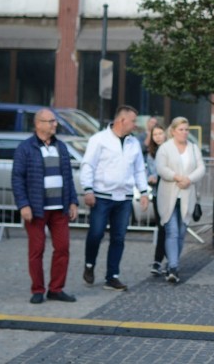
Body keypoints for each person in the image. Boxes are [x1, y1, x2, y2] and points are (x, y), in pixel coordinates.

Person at [11, 108, 79, 304]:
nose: (54, 125)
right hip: (36, 209)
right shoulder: (25, 148)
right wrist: (23, 205)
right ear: (38, 124)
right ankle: (38, 289)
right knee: (36, 250)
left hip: (60, 209)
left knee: (63, 248)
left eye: (54, 121)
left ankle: (56, 289)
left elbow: (68, 177)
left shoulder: (62, 147)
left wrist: (73, 201)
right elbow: (17, 178)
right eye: (51, 121)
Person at [81, 105, 150, 292]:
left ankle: (112, 276)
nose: (135, 125)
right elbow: (88, 165)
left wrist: (143, 192)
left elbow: (139, 169)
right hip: (102, 196)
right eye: (133, 121)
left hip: (124, 198)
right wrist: (88, 189)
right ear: (122, 120)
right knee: (96, 233)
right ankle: (89, 264)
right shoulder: (99, 140)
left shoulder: (133, 143)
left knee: (118, 238)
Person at [155, 117, 206, 284]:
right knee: (172, 232)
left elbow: (201, 168)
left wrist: (189, 179)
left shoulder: (193, 148)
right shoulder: (165, 148)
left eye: (186, 129)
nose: (184, 132)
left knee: (181, 233)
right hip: (169, 195)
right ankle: (173, 268)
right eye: (181, 129)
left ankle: (172, 264)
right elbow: (161, 168)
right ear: (173, 131)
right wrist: (176, 177)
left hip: (187, 196)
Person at [146, 123, 169, 276]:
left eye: (160, 133)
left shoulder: (169, 151)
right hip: (156, 194)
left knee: (169, 228)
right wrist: (150, 179)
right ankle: (159, 260)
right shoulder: (151, 154)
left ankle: (167, 260)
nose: (158, 137)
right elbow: (148, 172)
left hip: (170, 194)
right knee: (162, 227)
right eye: (155, 135)